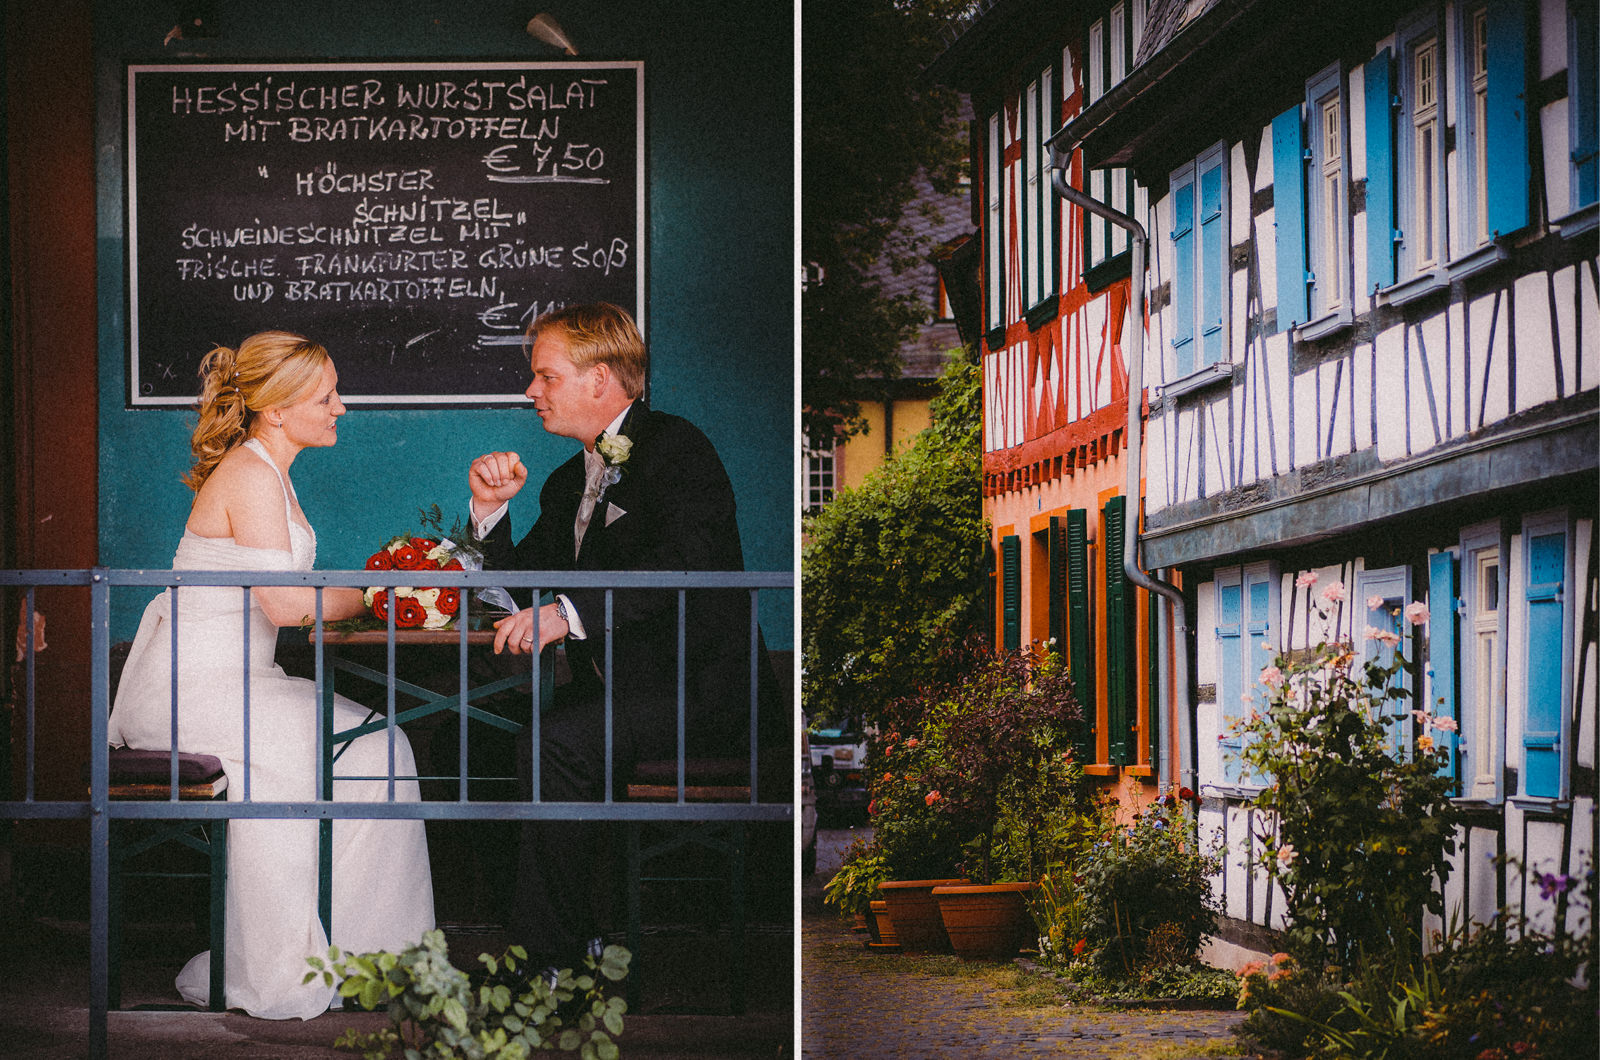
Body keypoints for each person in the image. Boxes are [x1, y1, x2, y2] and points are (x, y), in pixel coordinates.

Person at [108, 331, 434, 1019]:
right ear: (278, 410)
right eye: (327, 396)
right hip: (194, 694)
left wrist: (377, 592)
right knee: (330, 752)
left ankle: (364, 957)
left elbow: (299, 595)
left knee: (379, 744)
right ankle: (285, 964)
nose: (340, 407)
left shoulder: (270, 471)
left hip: (244, 683)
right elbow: (289, 605)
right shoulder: (252, 474)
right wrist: (381, 594)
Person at [466, 302, 774, 974]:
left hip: (704, 697)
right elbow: (521, 592)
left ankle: (544, 959)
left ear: (600, 379)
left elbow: (682, 566)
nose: (530, 391)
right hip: (622, 701)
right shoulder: (561, 483)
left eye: (544, 376)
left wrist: (567, 613)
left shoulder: (679, 450)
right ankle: (575, 934)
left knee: (555, 743)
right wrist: (489, 515)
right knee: (484, 734)